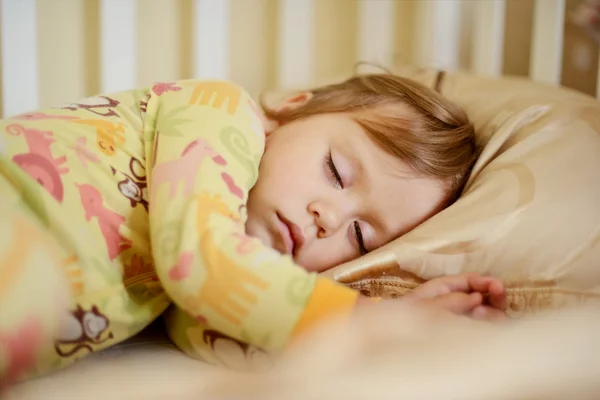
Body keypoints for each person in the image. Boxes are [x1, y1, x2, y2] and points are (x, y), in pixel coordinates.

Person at [0, 73, 504, 388]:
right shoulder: (222, 114)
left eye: (359, 238)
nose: (327, 218)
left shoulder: (216, 270)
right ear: (292, 108)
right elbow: (202, 265)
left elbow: (215, 328)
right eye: (336, 171)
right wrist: (361, 317)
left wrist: (401, 333)